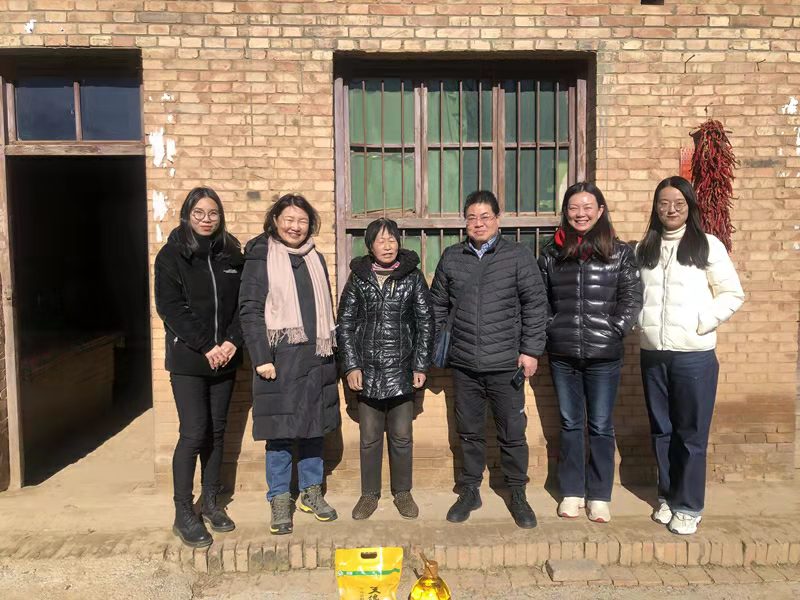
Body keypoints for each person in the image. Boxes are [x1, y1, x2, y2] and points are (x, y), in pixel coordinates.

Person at [429, 190, 548, 529]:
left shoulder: (517, 256)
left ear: (498, 219)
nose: (478, 223)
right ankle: (469, 490)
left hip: (506, 364)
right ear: (465, 222)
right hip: (465, 364)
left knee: (512, 433)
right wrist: (445, 343)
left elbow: (535, 304)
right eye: (471, 218)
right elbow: (437, 305)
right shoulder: (452, 257)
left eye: (485, 217)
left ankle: (517, 492)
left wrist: (530, 350)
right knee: (468, 432)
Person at [636, 176, 744, 535]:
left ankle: (689, 505)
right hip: (653, 354)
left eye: (678, 203)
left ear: (689, 206)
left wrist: (703, 322)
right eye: (664, 203)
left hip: (694, 356)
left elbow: (732, 293)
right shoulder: (645, 248)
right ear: (656, 208)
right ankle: (668, 497)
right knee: (662, 431)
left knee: (691, 434)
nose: (671, 210)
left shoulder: (708, 245)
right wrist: (640, 323)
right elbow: (635, 295)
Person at [537, 182, 642, 523]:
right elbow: (540, 299)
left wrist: (615, 329)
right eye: (573, 208)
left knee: (600, 425)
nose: (580, 214)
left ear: (600, 211)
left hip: (604, 355)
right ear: (565, 212)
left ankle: (599, 494)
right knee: (570, 424)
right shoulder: (551, 252)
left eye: (587, 207)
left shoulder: (620, 252)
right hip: (563, 352)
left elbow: (632, 298)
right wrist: (552, 327)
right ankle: (571, 491)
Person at [239, 193, 340, 536]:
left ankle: (311, 492)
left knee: (314, 429)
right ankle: (280, 497)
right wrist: (261, 358)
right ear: (275, 221)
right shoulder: (261, 255)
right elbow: (250, 310)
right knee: (279, 434)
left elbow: (326, 310)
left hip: (316, 358)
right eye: (289, 220)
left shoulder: (315, 257)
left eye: (302, 221)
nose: (295, 227)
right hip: (279, 361)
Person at [154, 187, 243, 548]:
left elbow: (243, 304)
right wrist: (207, 346)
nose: (207, 220)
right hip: (190, 360)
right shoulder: (172, 255)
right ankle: (182, 512)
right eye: (200, 213)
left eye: (213, 213)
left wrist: (232, 341)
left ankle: (210, 501)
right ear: (187, 215)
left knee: (217, 433)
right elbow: (171, 307)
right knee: (193, 432)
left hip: (226, 358)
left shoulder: (231, 254)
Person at [337, 218, 435, 521]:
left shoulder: (412, 277)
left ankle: (402, 492)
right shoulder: (358, 278)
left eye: (392, 239)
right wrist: (351, 365)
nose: (387, 245)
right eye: (380, 240)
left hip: (402, 369)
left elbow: (426, 323)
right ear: (370, 246)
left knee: (402, 437)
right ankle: (369, 494)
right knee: (369, 439)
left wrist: (420, 365)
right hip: (367, 371)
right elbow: (345, 324)